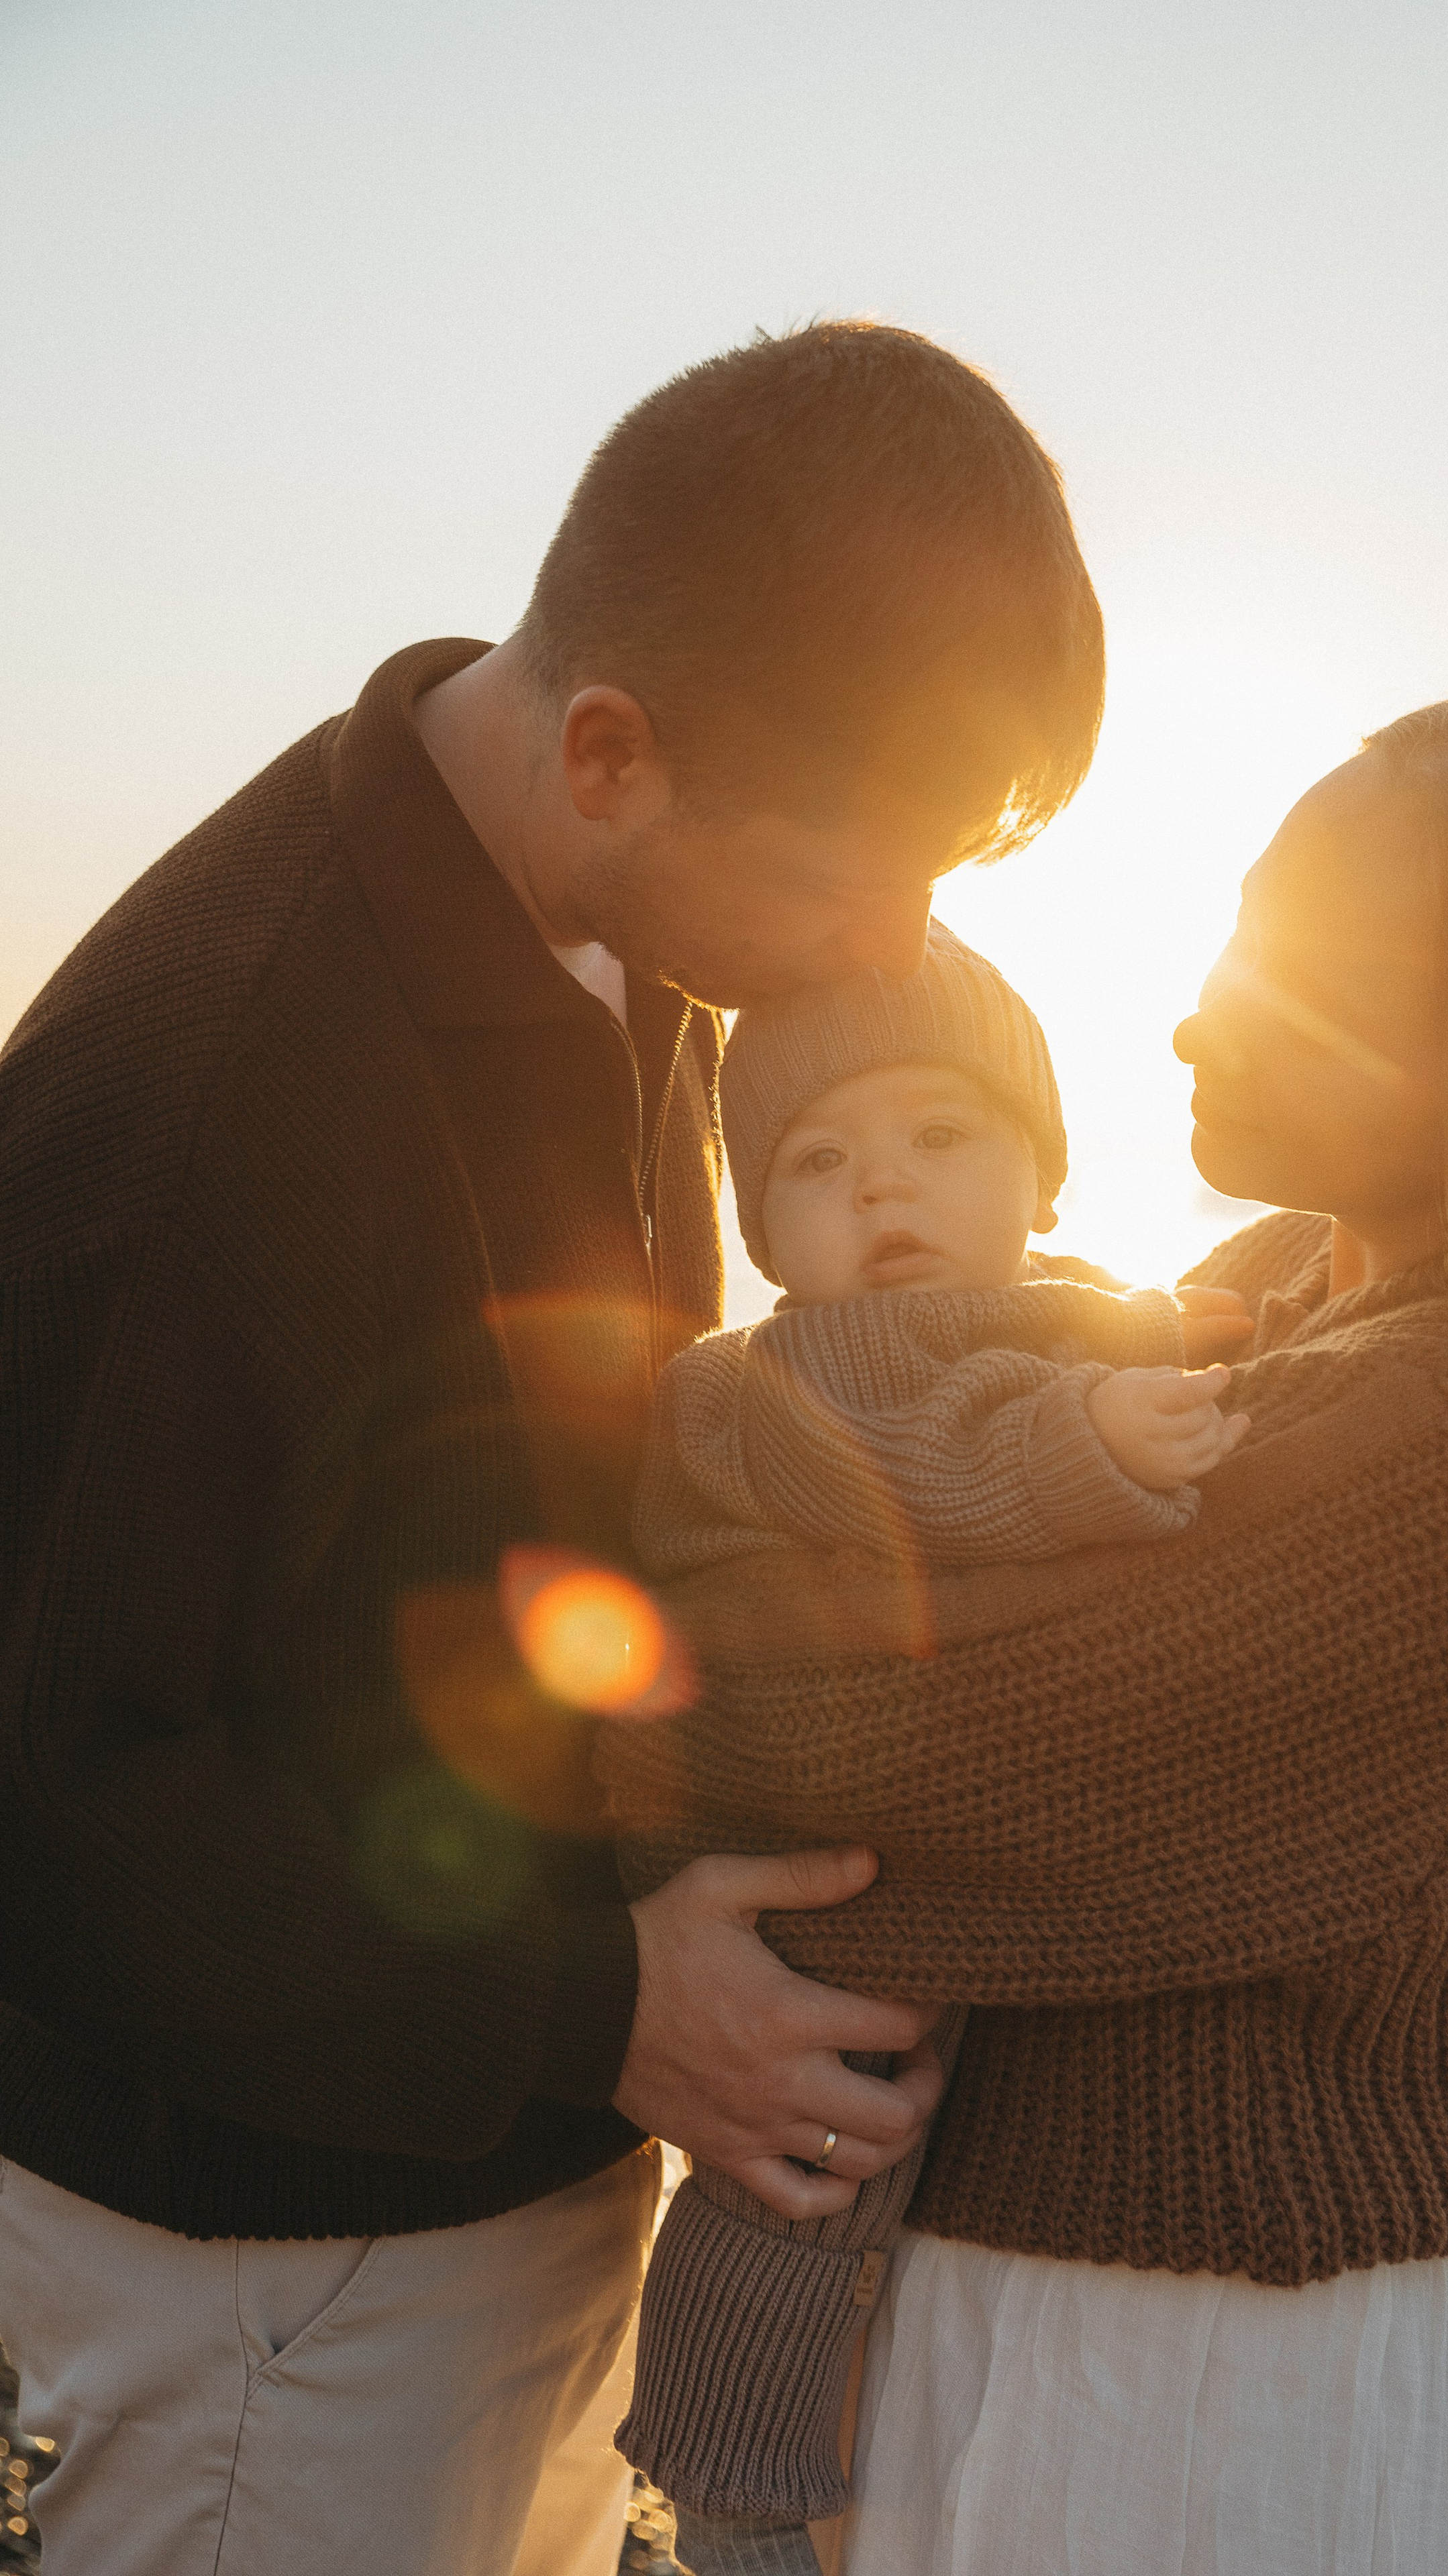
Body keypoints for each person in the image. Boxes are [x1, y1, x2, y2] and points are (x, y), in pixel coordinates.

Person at [0, 320, 1106, 2576]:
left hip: (517, 2172)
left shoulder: (616, 922)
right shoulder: (204, 1100)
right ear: (611, 748)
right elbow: (47, 1793)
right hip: (274, 2286)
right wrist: (601, 2002)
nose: (903, 944)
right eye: (856, 874)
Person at [599, 683, 1448, 2575]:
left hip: (1191, 2400)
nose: (1198, 1014)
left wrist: (601, 1682)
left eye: (1287, 969)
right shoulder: (1272, 1304)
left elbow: (880, 1774)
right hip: (1078, 2334)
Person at [611, 919, 1250, 2576]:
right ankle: (730, 2486)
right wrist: (1083, 1445)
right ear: (762, 1234)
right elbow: (892, 1468)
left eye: (940, 1137)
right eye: (818, 1162)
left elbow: (1137, 1347)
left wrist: (1204, 1338)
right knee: (801, 2171)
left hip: (942, 1831)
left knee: (908, 2178)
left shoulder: (1074, 1321)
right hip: (766, 1831)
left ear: (1043, 1175)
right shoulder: (759, 1383)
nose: (882, 1189)